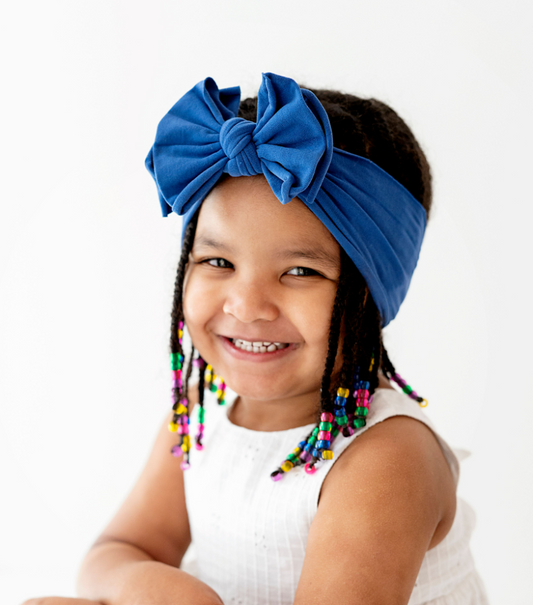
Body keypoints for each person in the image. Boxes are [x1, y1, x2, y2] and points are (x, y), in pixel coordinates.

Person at [23, 73, 488, 605]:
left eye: (300, 272)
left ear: (369, 296)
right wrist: (148, 584)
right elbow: (118, 549)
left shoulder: (385, 457)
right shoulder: (201, 413)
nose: (245, 306)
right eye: (218, 262)